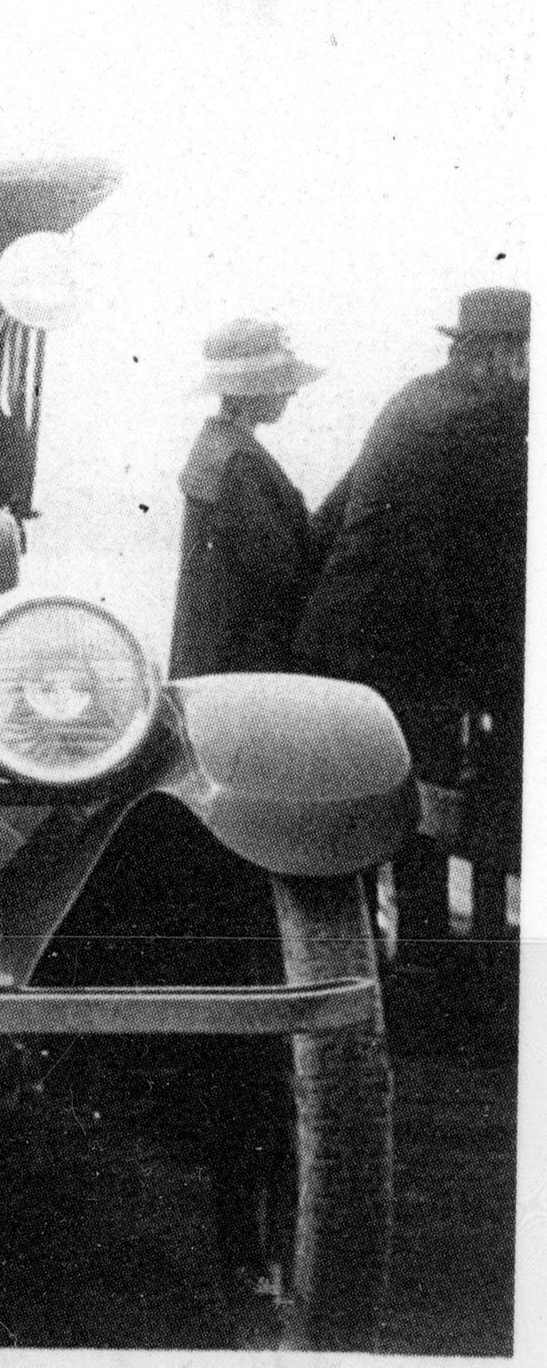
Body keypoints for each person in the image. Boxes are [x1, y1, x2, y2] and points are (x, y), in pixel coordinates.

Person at [296, 287, 527, 1045]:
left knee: (372, 807)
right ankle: (428, 993)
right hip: (401, 649)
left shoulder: (416, 399)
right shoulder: (485, 417)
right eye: (527, 356)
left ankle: (382, 971)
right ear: (499, 356)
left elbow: (334, 511)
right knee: (421, 809)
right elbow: (499, 551)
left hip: (346, 636)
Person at [168, 317, 324, 679]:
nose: (292, 392)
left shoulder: (216, 446)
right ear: (253, 388)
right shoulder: (240, 461)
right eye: (282, 381)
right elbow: (281, 572)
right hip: (241, 667)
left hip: (211, 658)